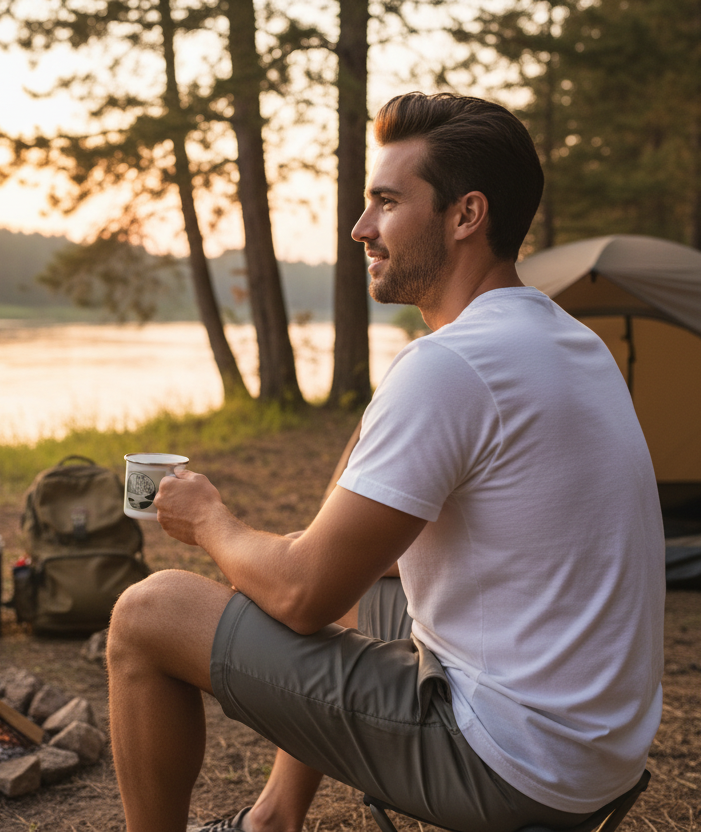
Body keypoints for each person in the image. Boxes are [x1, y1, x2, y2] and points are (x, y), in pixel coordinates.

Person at [106, 92, 664, 832]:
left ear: (466, 215)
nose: (359, 227)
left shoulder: (452, 366)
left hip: (508, 764)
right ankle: (273, 818)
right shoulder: (567, 341)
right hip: (598, 752)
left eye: (387, 202)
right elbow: (335, 571)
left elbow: (301, 592)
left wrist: (209, 519)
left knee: (149, 613)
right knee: (358, 580)